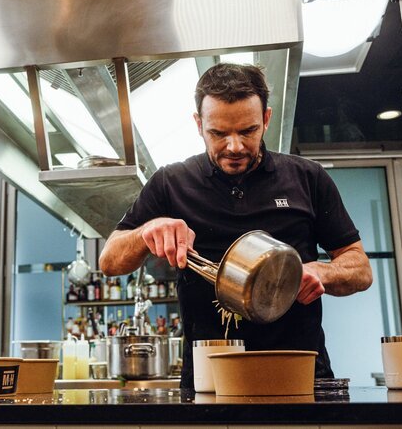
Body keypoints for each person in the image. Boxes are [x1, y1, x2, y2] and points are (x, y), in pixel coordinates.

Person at [98, 63, 372, 388]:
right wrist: (147, 231)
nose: (235, 147)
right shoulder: (170, 183)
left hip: (298, 371)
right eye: (218, 133)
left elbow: (360, 269)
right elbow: (110, 262)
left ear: (266, 119)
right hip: (210, 377)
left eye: (247, 131)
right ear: (199, 125)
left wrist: (323, 272)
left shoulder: (307, 178)